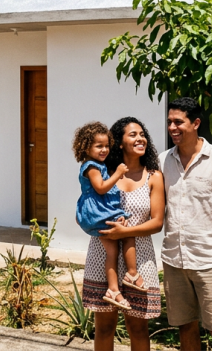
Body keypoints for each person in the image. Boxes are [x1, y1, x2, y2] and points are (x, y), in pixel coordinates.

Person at [162, 97, 212, 351]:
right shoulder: (163, 161)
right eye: (169, 122)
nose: (173, 127)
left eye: (178, 122)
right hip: (174, 260)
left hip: (210, 261)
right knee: (185, 326)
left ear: (196, 123)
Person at [83, 117, 165, 351]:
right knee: (105, 327)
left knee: (138, 328)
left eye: (142, 134)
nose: (140, 138)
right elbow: (88, 204)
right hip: (103, 253)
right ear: (119, 142)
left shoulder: (154, 176)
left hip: (139, 258)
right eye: (133, 134)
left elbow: (157, 223)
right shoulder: (105, 173)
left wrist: (125, 231)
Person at [74, 121, 145, 309]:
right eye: (99, 146)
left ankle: (114, 289)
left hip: (102, 211)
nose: (104, 150)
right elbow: (101, 188)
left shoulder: (99, 165)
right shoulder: (91, 167)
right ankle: (130, 275)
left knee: (114, 249)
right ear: (86, 147)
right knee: (126, 235)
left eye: (106, 146)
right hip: (97, 213)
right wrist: (118, 173)